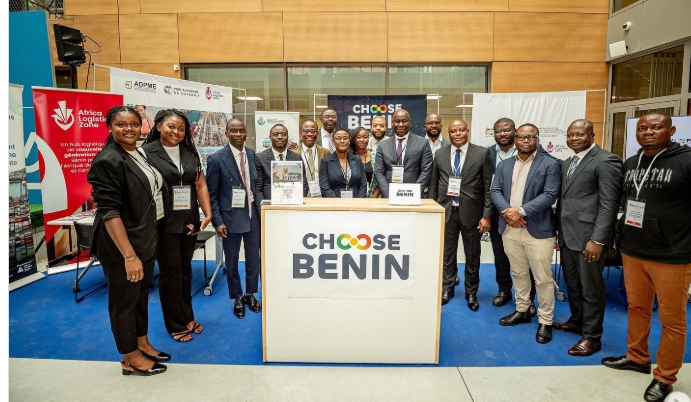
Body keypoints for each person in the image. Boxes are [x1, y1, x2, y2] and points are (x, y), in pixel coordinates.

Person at [602, 113, 691, 402]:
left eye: (656, 127)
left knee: (672, 319)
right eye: (642, 128)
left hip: (672, 254)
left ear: (671, 130)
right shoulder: (632, 162)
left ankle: (665, 376)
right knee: (637, 307)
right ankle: (637, 357)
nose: (648, 132)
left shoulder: (686, 160)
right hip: (633, 249)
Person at [87, 106, 168, 376]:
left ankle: (141, 342)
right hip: (121, 247)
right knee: (125, 301)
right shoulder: (108, 159)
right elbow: (109, 211)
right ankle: (129, 356)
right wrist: (129, 256)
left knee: (140, 296)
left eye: (134, 124)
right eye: (121, 124)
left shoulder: (137, 153)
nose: (129, 129)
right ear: (110, 127)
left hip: (144, 238)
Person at [141, 109, 213, 342]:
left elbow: (200, 184)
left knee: (185, 269)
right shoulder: (145, 153)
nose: (176, 132)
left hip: (189, 220)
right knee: (170, 272)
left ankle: (187, 316)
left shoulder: (189, 152)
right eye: (171, 126)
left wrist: (207, 213)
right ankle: (175, 323)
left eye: (181, 128)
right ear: (159, 126)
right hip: (162, 221)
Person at [553, 119, 623, 357]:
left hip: (589, 238)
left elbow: (609, 204)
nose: (574, 138)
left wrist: (598, 240)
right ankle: (577, 321)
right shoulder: (568, 162)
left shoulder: (606, 160)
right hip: (568, 236)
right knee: (573, 283)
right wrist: (559, 230)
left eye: (580, 134)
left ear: (592, 135)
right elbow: (565, 200)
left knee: (591, 289)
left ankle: (592, 337)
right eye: (570, 135)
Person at [490, 123, 561, 344]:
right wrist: (508, 213)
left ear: (537, 139)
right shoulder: (504, 165)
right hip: (510, 228)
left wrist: (520, 211)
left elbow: (550, 194)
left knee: (542, 278)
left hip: (538, 230)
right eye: (521, 137)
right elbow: (495, 190)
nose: (526, 141)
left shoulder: (550, 164)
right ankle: (522, 310)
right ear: (515, 139)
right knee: (519, 273)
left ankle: (545, 320)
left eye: (531, 137)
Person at [428, 120, 493, 310]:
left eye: (461, 130)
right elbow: (433, 185)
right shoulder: (440, 154)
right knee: (447, 255)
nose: (457, 133)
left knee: (473, 255)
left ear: (467, 131)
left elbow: (488, 187)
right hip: (447, 212)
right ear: (448, 133)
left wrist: (487, 215)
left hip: (472, 213)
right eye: (454, 131)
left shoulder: (481, 153)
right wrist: (433, 210)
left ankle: (471, 292)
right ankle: (447, 288)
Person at [206, 118, 261, 319]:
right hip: (229, 218)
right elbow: (212, 195)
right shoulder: (216, 159)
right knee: (232, 260)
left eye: (241, 131)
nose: (238, 134)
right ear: (226, 133)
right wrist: (218, 221)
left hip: (253, 216)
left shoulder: (252, 155)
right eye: (234, 131)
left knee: (253, 259)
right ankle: (237, 296)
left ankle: (250, 293)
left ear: (246, 133)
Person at [488, 118, 538, 314]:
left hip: (527, 214)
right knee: (500, 255)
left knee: (528, 258)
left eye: (507, 130)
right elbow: (489, 186)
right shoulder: (488, 153)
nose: (502, 134)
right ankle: (504, 290)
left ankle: (529, 298)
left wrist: (519, 212)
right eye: (498, 131)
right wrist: (507, 211)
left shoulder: (532, 153)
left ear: (515, 133)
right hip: (499, 212)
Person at [373, 109, 433, 198]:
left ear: (410, 122)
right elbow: (379, 172)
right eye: (397, 121)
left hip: (414, 194)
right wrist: (388, 194)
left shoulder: (423, 143)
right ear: (392, 123)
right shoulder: (382, 145)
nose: (401, 124)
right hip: (389, 195)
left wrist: (414, 192)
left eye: (404, 121)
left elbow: (426, 170)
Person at [256, 124, 309, 204]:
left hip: (293, 204)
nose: (280, 137)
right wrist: (262, 208)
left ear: (288, 137)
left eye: (284, 134)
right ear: (270, 137)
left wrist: (297, 201)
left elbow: (304, 185)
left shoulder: (297, 158)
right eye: (276, 134)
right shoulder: (260, 158)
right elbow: (258, 188)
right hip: (269, 206)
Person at [320, 128, 367, 198]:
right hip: (334, 202)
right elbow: (325, 187)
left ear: (349, 141)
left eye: (345, 138)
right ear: (333, 141)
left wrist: (357, 201)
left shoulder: (357, 160)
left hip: (356, 202)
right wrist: (338, 202)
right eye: (338, 138)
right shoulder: (326, 162)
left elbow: (363, 185)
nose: (342, 141)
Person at [295, 119, 331, 197]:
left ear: (317, 133)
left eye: (313, 131)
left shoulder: (326, 152)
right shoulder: (293, 153)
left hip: (321, 195)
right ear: (300, 133)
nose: (309, 134)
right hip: (299, 195)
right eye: (306, 131)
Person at [351, 126, 380, 198]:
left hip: (373, 197)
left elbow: (381, 179)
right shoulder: (348, 157)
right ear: (354, 139)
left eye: (365, 137)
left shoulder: (376, 156)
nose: (362, 140)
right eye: (358, 137)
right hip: (352, 198)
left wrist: (372, 199)